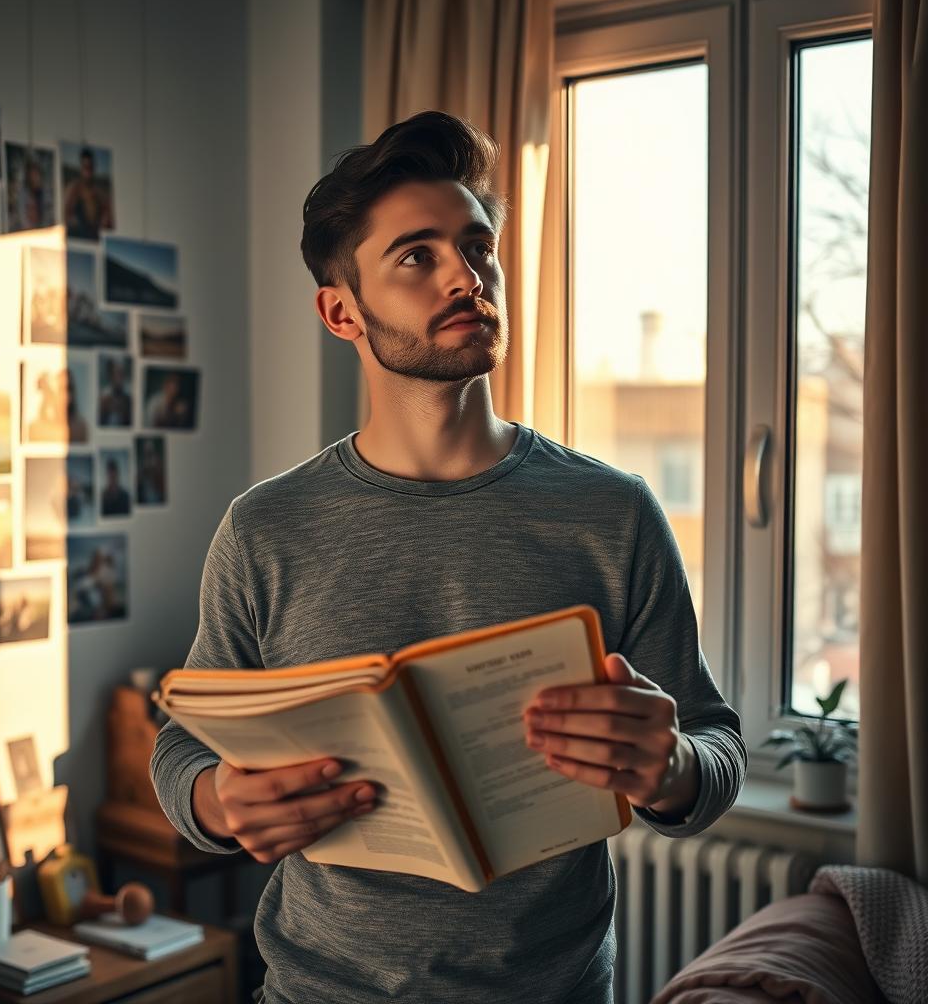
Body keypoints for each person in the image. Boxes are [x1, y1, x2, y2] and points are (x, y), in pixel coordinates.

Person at [149, 111, 747, 1004]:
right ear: (340, 310)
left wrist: (669, 769)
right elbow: (181, 747)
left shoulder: (611, 512)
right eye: (417, 256)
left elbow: (716, 748)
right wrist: (217, 805)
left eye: (478, 248)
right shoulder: (264, 529)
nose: (468, 277)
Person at [62, 146, 113, 240]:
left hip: (94, 237)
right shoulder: (74, 189)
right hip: (78, 237)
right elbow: (65, 215)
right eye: (86, 167)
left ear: (94, 167)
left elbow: (108, 219)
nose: (88, 171)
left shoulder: (99, 193)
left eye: (90, 167)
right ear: (81, 167)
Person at [98, 357, 132, 426]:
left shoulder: (129, 397)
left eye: (122, 374)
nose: (120, 378)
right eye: (117, 373)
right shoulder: (103, 396)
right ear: (111, 375)